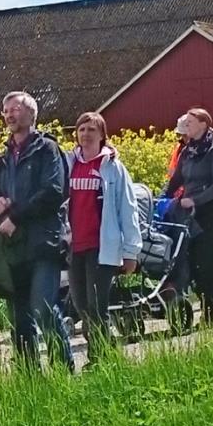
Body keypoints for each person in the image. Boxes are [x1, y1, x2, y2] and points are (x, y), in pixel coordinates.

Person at [0, 91, 74, 367]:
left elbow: (52, 192)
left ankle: (64, 369)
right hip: (14, 245)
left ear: (31, 114)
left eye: (14, 109)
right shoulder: (4, 157)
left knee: (42, 309)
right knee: (19, 316)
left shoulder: (46, 149)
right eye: (5, 111)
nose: (9, 115)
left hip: (43, 242)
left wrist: (15, 215)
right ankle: (30, 377)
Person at [65, 112, 141, 352]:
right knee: (80, 305)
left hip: (101, 248)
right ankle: (105, 350)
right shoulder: (69, 164)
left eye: (92, 130)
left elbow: (127, 209)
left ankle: (100, 357)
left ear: (102, 135)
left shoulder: (112, 168)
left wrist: (131, 252)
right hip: (74, 246)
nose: (86, 134)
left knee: (97, 305)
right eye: (82, 130)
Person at [165, 108, 213, 327]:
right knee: (191, 264)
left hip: (209, 214)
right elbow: (176, 180)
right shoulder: (188, 152)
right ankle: (204, 306)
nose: (187, 126)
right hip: (189, 217)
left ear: (203, 124)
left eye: (191, 122)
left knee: (207, 264)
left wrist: (196, 200)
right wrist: (161, 198)